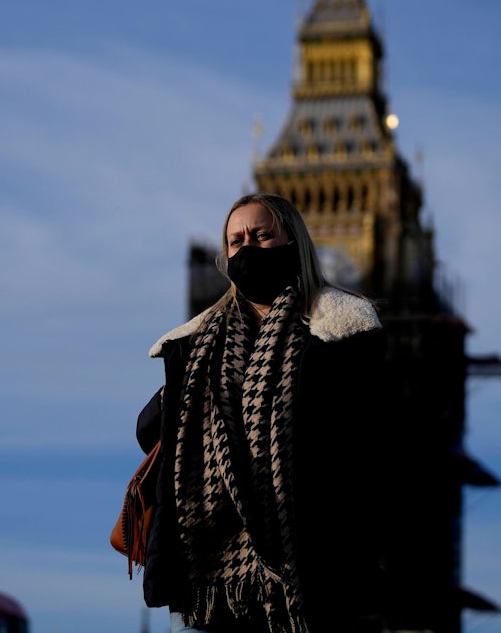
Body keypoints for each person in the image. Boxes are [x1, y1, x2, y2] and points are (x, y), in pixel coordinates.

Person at [135, 193, 384, 633]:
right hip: (216, 581)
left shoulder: (339, 332)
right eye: (235, 241)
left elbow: (365, 448)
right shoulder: (195, 347)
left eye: (261, 235)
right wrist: (182, 389)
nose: (246, 247)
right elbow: (151, 434)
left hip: (310, 575)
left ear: (293, 242)